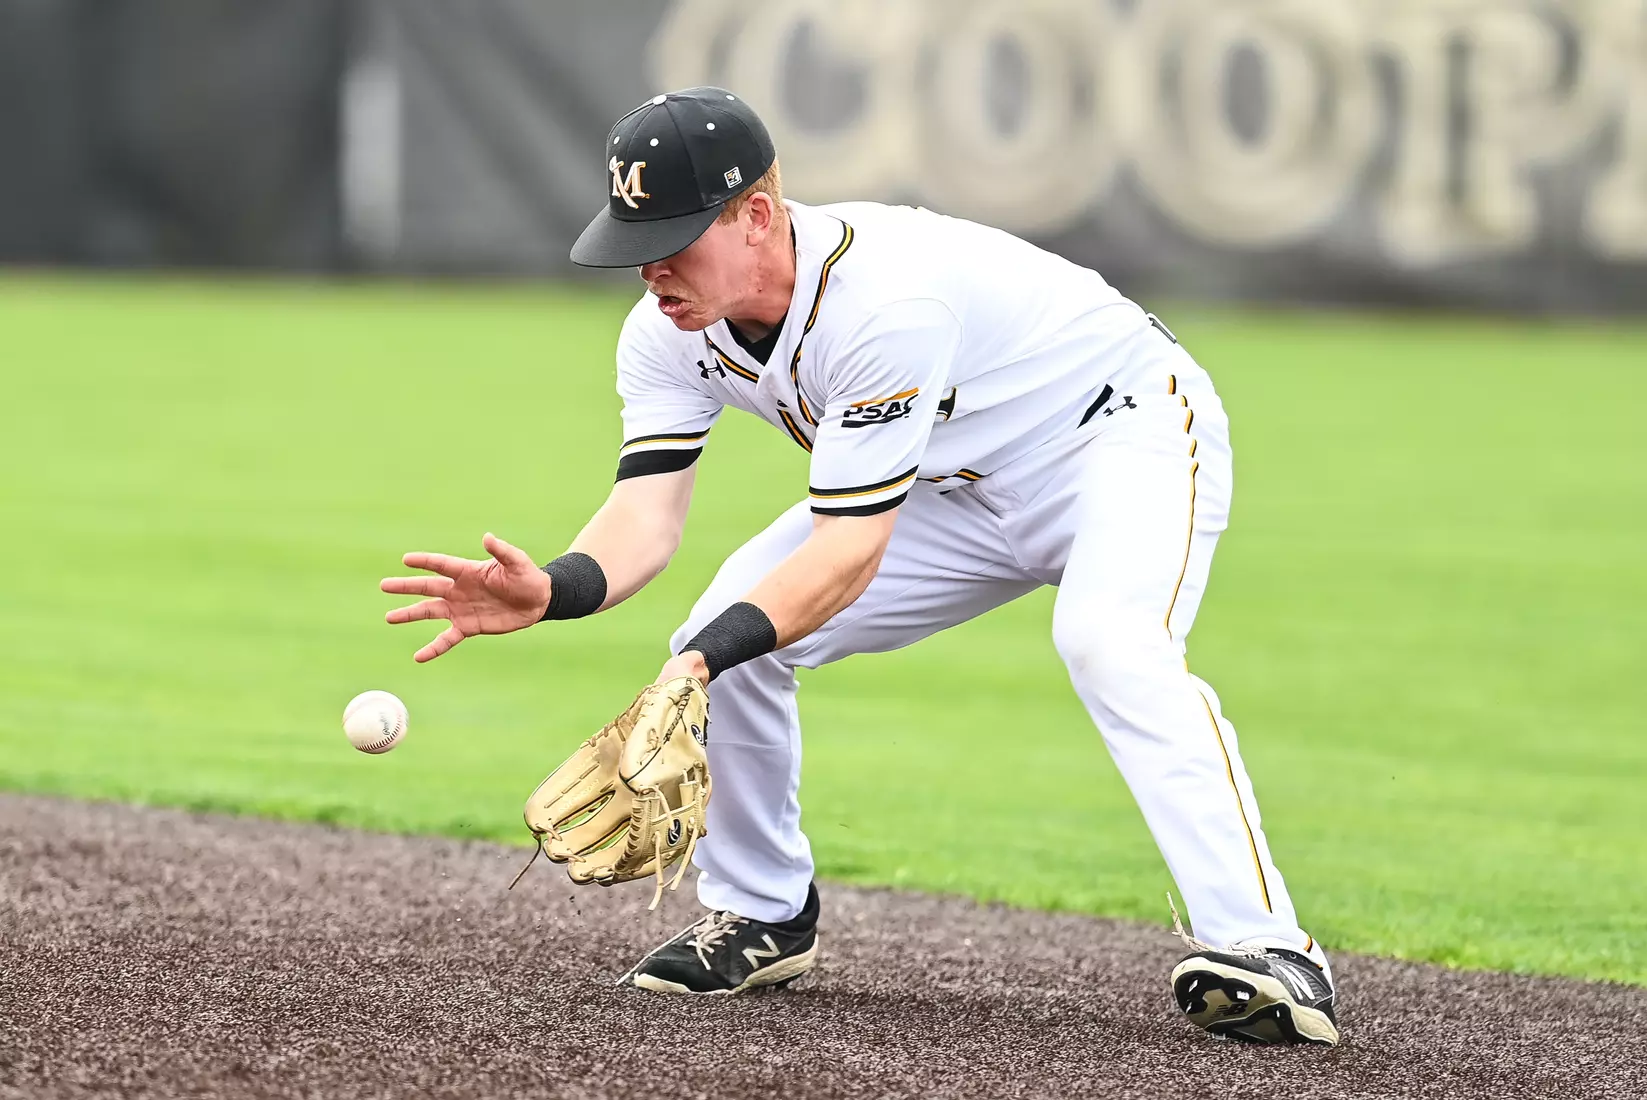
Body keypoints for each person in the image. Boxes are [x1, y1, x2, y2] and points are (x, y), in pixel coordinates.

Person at [380, 87, 1339, 1045]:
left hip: (1120, 440)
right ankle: (760, 913)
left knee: (1109, 643)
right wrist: (556, 589)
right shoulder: (666, 331)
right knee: (724, 634)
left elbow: (845, 555)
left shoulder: (884, 302)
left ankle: (1268, 949)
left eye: (674, 238)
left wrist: (694, 668)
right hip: (953, 480)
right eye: (637, 240)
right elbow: (645, 516)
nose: (651, 268)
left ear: (756, 216)